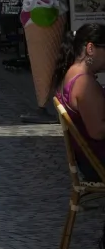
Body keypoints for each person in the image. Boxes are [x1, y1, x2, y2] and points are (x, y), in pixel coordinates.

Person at [54, 23, 105, 180]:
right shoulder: (84, 83)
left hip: (89, 162)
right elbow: (98, 131)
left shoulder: (70, 74)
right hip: (98, 163)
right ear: (90, 48)